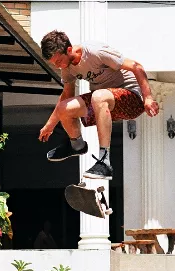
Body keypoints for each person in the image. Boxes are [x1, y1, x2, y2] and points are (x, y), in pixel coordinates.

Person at [38, 30, 160, 180]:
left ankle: (104, 162)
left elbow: (137, 66)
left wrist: (148, 98)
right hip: (104, 102)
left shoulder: (95, 52)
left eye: (58, 61)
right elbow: (66, 96)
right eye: (54, 64)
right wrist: (50, 124)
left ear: (69, 50)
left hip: (131, 98)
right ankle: (77, 145)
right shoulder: (67, 68)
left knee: (98, 96)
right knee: (63, 107)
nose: (58, 66)